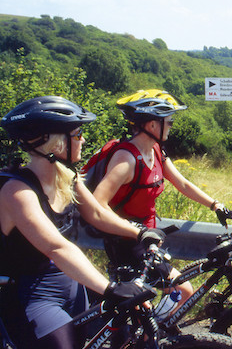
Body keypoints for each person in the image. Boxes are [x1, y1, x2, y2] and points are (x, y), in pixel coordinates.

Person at [0, 96, 163, 349]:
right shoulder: (17, 192)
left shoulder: (67, 176)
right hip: (33, 295)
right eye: (77, 134)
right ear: (53, 143)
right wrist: (110, 289)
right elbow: (56, 247)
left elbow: (96, 214)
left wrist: (139, 232)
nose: (83, 140)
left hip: (70, 284)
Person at [91, 89, 226, 312]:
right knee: (181, 291)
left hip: (146, 240)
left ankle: (145, 336)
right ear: (153, 124)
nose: (172, 126)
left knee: (141, 308)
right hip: (127, 243)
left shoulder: (154, 150)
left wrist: (215, 204)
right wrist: (134, 231)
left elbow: (182, 184)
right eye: (169, 121)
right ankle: (148, 339)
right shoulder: (126, 159)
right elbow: (97, 204)